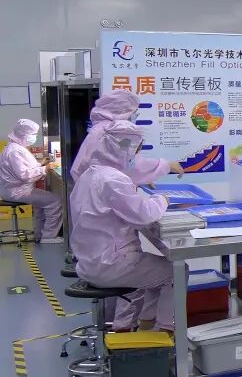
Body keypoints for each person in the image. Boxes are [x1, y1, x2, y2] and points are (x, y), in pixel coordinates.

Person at [69, 121, 174, 332]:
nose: (137, 157)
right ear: (126, 149)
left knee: (151, 272)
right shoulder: (113, 179)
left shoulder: (89, 175)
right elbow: (144, 214)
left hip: (89, 262)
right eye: (136, 151)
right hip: (110, 264)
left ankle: (134, 327)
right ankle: (165, 331)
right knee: (175, 272)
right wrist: (162, 199)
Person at [71, 89, 183, 185]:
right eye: (134, 112)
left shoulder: (99, 129)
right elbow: (132, 165)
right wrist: (166, 165)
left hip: (90, 192)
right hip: (104, 194)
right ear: (122, 111)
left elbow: (116, 165)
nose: (135, 115)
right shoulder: (116, 134)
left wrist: (143, 178)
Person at [0, 119, 62, 242]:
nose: (34, 137)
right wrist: (46, 168)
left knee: (41, 204)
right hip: (17, 191)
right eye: (33, 134)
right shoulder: (15, 151)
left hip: (15, 189)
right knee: (55, 202)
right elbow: (24, 175)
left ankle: (39, 235)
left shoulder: (15, 148)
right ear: (23, 135)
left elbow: (23, 169)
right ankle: (48, 237)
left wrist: (41, 164)